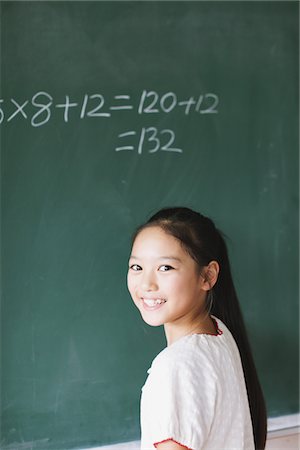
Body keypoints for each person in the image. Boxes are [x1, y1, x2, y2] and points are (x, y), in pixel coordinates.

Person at [127, 207, 267, 450]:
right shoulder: (219, 332)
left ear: (207, 276)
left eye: (165, 268)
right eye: (137, 267)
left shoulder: (175, 366)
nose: (146, 284)